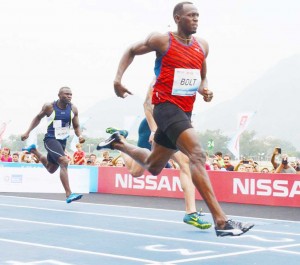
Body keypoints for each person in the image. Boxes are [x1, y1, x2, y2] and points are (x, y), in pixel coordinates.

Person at [97, 2, 254, 236]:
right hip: (165, 107)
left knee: (153, 166)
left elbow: (202, 75)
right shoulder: (162, 40)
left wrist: (205, 90)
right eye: (191, 16)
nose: (196, 19)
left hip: (185, 110)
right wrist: (117, 80)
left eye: (198, 16)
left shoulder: (202, 46)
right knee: (197, 155)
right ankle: (221, 221)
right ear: (178, 18)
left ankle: (117, 143)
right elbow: (131, 50)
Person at [105, 81, 212, 230]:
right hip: (153, 127)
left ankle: (190, 213)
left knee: (186, 162)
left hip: (173, 125)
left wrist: (205, 93)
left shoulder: (188, 74)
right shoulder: (160, 75)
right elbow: (147, 105)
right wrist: (154, 130)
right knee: (136, 172)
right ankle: (120, 141)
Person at [21, 87, 85, 203]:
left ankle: (34, 150)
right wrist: (27, 132)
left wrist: (79, 136)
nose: (69, 96)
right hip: (50, 139)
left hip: (62, 141)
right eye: (66, 94)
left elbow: (76, 126)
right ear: (59, 95)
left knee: (51, 169)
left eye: (71, 94)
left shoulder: (73, 109)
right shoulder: (49, 107)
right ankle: (69, 194)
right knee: (64, 161)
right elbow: (38, 118)